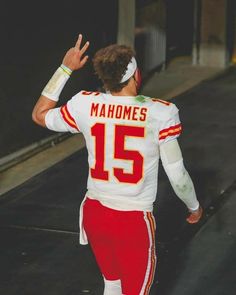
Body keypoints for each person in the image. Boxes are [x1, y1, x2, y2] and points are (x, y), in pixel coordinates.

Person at [32, 34, 203, 295]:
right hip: (132, 221)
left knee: (112, 285)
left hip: (95, 213)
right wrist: (194, 207)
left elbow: (39, 114)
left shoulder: (85, 104)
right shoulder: (161, 112)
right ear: (136, 76)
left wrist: (65, 68)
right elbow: (177, 175)